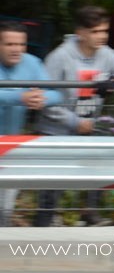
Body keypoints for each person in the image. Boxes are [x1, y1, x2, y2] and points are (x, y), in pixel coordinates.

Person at [37, 6, 114, 226]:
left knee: (94, 176)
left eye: (104, 31)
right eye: (96, 31)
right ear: (81, 32)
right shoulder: (59, 57)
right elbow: (44, 100)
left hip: (87, 130)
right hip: (56, 132)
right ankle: (41, 229)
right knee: (50, 194)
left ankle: (88, 216)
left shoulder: (105, 53)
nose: (102, 36)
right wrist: (75, 122)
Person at [0, 21, 61, 226]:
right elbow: (18, 96)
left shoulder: (32, 63)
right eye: (10, 44)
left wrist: (40, 99)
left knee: (5, 207)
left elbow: (56, 93)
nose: (17, 50)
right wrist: (20, 97)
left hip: (11, 144)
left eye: (21, 44)